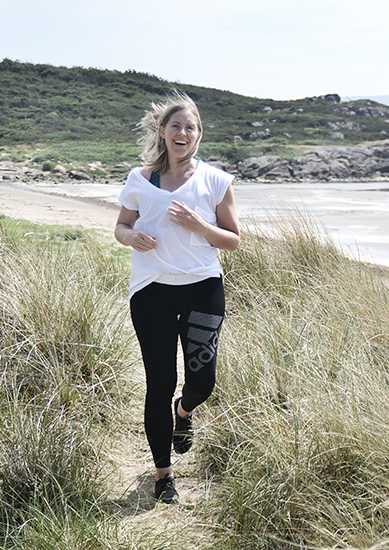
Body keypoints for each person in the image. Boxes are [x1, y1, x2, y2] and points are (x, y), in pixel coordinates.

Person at [114, 92, 240, 504]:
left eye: (190, 127)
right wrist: (132, 237)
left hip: (203, 287)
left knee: (202, 381)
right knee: (160, 381)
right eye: (176, 126)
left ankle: (183, 413)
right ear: (163, 132)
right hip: (151, 292)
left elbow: (233, 240)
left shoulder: (216, 180)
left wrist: (199, 225)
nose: (182, 133)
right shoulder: (140, 179)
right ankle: (163, 475)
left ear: (198, 134)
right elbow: (121, 227)